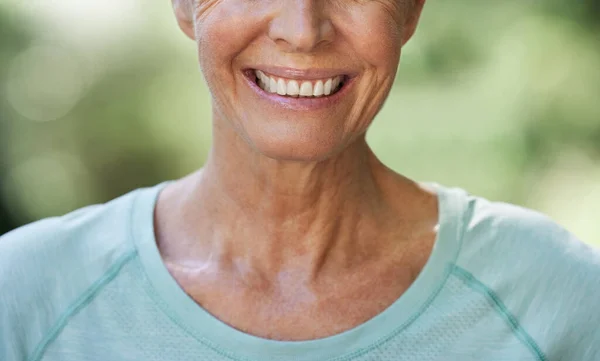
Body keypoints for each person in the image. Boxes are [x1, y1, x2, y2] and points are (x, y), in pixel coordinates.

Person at [1, 0, 599, 360]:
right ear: (185, 3)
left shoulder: (557, 299)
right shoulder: (25, 297)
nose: (303, 28)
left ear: (412, 8)